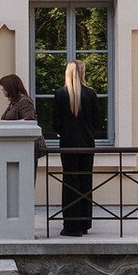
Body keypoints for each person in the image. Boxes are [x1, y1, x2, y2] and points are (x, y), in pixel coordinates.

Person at [52, 59, 98, 237]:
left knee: (70, 182)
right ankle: (85, 223)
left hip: (68, 144)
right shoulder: (91, 94)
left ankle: (71, 225)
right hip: (87, 144)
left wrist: (64, 132)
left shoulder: (61, 94)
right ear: (82, 73)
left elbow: (56, 122)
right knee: (86, 181)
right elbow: (96, 122)